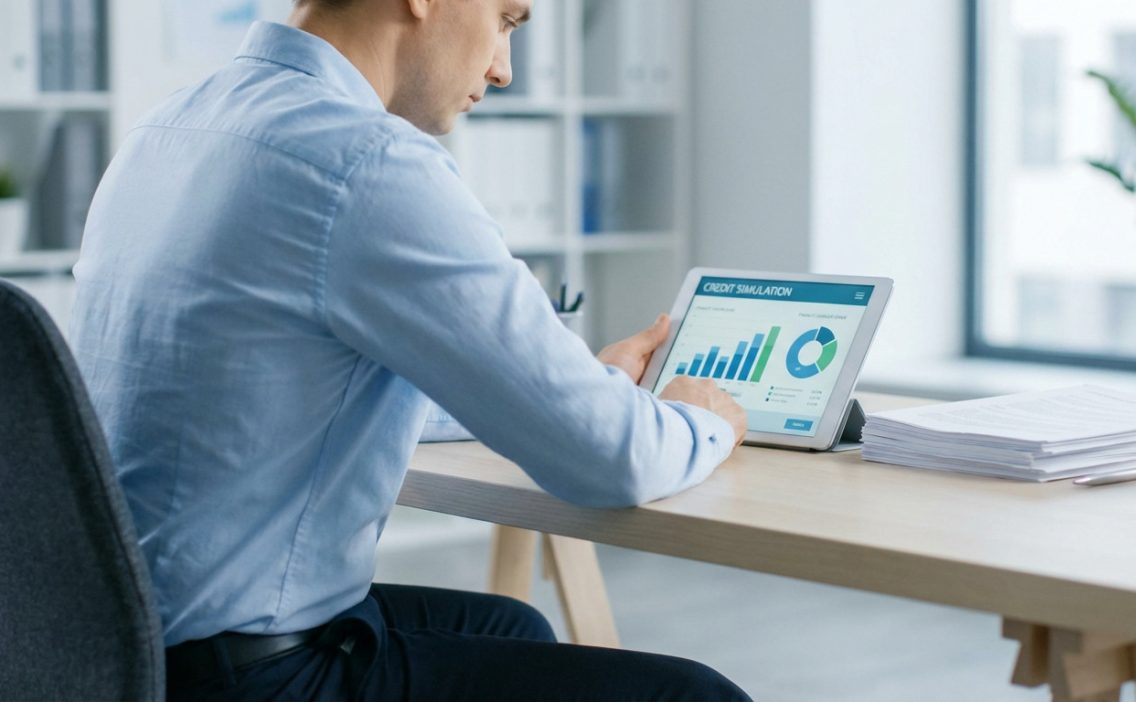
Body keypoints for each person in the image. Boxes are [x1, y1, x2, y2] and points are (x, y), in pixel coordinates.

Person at [69, 0, 752, 699]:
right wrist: (702, 419)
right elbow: (615, 459)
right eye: (507, 21)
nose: (503, 68)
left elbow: (268, 396)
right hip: (255, 679)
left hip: (123, 647)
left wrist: (576, 387)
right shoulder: (365, 163)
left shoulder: (169, 128)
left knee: (511, 629)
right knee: (697, 695)